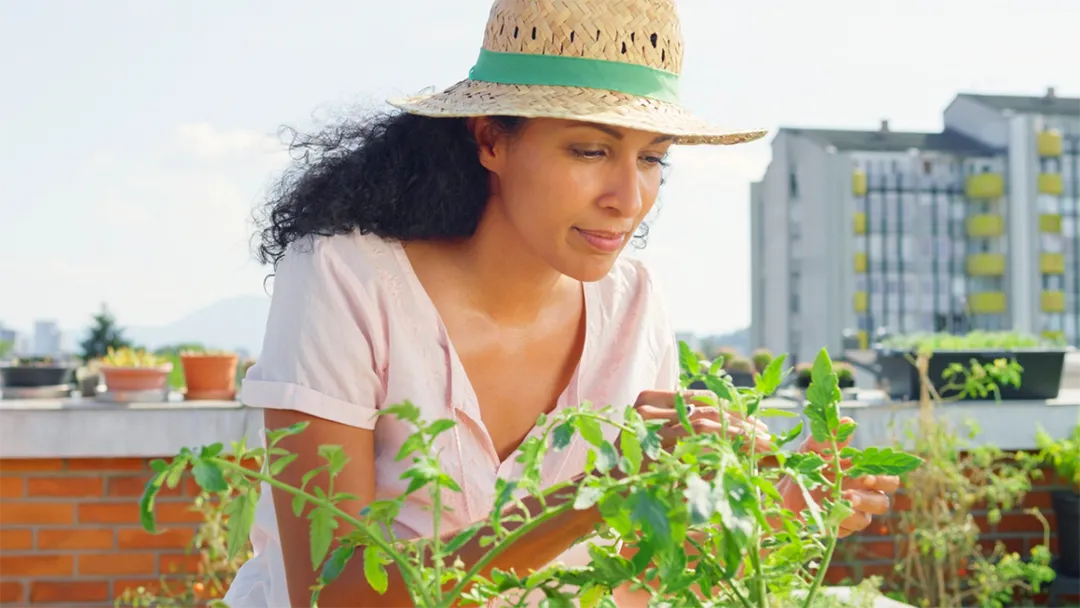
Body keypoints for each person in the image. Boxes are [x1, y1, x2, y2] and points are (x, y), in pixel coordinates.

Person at [223, 0, 900, 606]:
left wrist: (765, 515)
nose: (628, 198)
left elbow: (628, 576)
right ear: (490, 138)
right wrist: (596, 493)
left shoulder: (635, 303)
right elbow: (335, 591)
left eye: (651, 159)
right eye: (590, 150)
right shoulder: (346, 276)